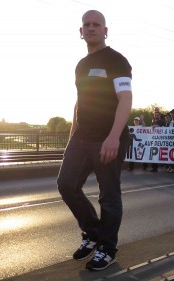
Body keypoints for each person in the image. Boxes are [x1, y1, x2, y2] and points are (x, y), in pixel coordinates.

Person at [57, 10, 132, 271]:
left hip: (108, 138)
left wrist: (113, 136)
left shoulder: (116, 60)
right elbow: (79, 102)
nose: (90, 28)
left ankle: (108, 248)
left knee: (108, 196)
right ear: (80, 32)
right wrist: (71, 136)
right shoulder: (81, 64)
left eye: (95, 24)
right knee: (66, 184)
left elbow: (125, 99)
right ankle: (92, 233)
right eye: (86, 25)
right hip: (82, 137)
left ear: (105, 31)